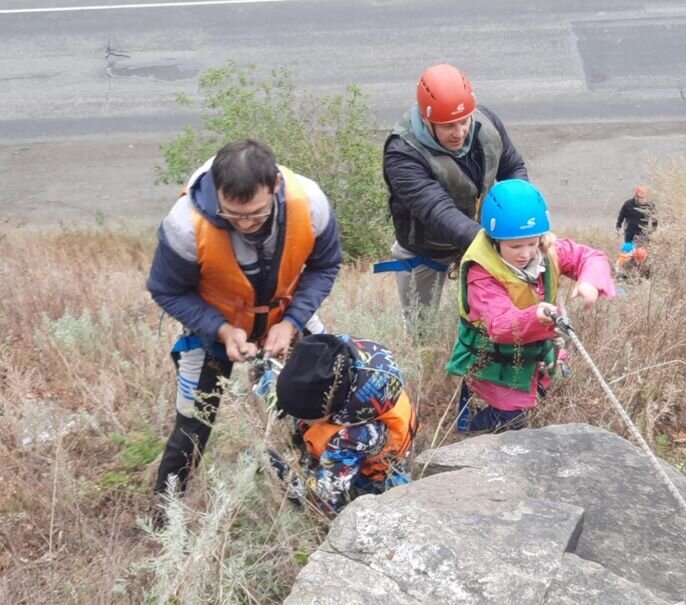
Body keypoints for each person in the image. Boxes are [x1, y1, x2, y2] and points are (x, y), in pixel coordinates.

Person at [147, 138, 343, 497]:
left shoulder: (310, 203)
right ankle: (164, 515)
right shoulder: (185, 226)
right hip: (211, 327)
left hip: (285, 316)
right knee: (193, 424)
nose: (245, 224)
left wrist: (293, 321)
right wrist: (220, 329)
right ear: (217, 193)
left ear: (275, 187)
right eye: (232, 215)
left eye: (255, 213)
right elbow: (166, 289)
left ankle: (322, 491)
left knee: (321, 399)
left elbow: (325, 264)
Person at [446, 180, 615, 433]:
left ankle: (486, 420)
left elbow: (589, 257)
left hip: (530, 350)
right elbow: (500, 325)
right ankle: (471, 429)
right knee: (510, 417)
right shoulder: (481, 272)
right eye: (515, 246)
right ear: (495, 240)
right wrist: (537, 316)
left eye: (531, 243)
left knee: (525, 401)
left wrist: (590, 281)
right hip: (494, 357)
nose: (525, 254)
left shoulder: (548, 251)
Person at [376, 63, 530, 334]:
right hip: (426, 251)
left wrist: (522, 221)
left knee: (490, 323)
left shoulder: (487, 123)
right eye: (447, 125)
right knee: (422, 331)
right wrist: (492, 243)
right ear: (427, 120)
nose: (459, 132)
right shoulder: (402, 153)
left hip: (480, 237)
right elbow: (437, 211)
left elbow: (512, 168)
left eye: (464, 121)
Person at [269, 333, 418, 514]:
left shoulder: (355, 436)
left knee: (385, 503)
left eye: (304, 416)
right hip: (355, 434)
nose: (300, 419)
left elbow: (322, 498)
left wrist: (286, 477)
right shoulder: (336, 365)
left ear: (329, 412)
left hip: (375, 474)